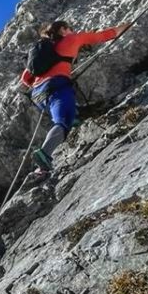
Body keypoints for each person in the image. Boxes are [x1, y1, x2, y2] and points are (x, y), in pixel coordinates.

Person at [20, 20, 130, 178]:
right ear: (63, 30)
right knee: (63, 121)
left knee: (66, 114)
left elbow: (25, 78)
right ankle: (45, 153)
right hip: (57, 86)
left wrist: (43, 81)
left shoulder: (44, 51)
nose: (73, 31)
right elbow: (102, 36)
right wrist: (124, 26)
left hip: (38, 95)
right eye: (70, 28)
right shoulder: (71, 39)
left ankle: (73, 120)